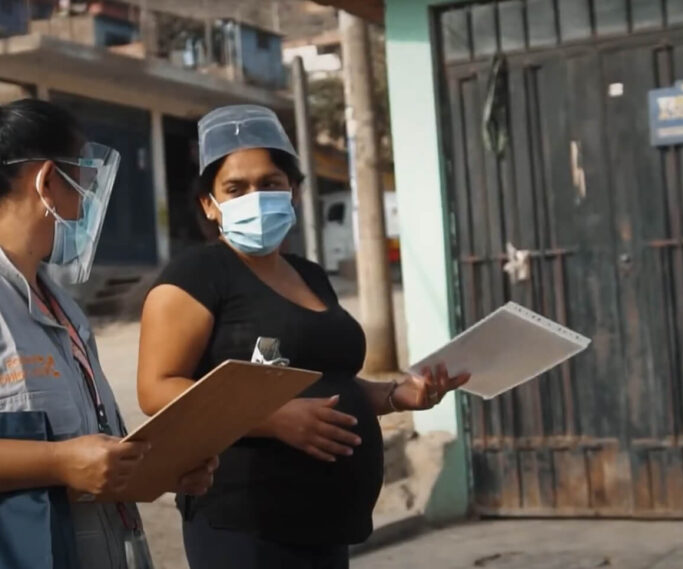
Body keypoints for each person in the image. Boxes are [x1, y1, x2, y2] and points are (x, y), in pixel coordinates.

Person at [0, 98, 216, 569]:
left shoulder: (62, 304)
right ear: (49, 182)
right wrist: (58, 462)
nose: (88, 207)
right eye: (84, 187)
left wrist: (162, 467)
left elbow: (88, 452)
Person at [136, 105, 470, 569]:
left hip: (327, 529)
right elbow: (157, 390)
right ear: (209, 205)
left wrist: (397, 395)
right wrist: (272, 418)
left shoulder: (310, 275)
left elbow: (328, 382)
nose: (256, 196)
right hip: (246, 525)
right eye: (236, 188)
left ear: (292, 191)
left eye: (270, 183)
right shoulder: (196, 275)